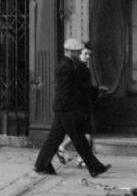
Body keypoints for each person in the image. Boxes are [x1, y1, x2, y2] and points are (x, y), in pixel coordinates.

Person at [34, 37, 111, 178]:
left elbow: (78, 87)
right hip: (66, 109)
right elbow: (66, 91)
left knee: (54, 139)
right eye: (76, 51)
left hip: (64, 109)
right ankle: (94, 168)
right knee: (79, 140)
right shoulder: (66, 66)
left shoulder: (70, 64)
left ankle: (41, 165)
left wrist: (96, 90)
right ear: (69, 52)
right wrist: (70, 109)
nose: (78, 53)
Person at [56, 41, 94, 166]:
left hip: (81, 105)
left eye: (89, 54)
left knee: (81, 134)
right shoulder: (75, 68)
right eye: (85, 54)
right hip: (77, 106)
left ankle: (74, 155)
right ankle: (83, 160)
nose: (87, 57)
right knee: (82, 134)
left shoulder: (80, 67)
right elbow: (77, 88)